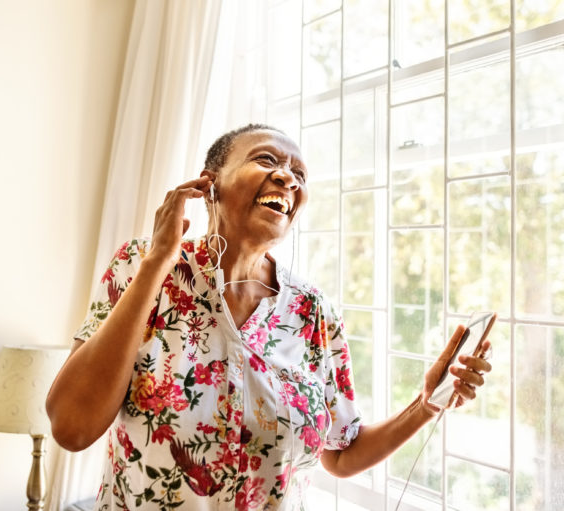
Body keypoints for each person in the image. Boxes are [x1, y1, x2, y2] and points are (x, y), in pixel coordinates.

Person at [46, 124, 492, 510]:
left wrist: (427, 403)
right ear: (209, 184)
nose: (288, 177)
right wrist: (159, 261)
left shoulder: (312, 312)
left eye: (299, 173)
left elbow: (341, 454)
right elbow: (72, 426)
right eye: (267, 159)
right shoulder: (140, 265)